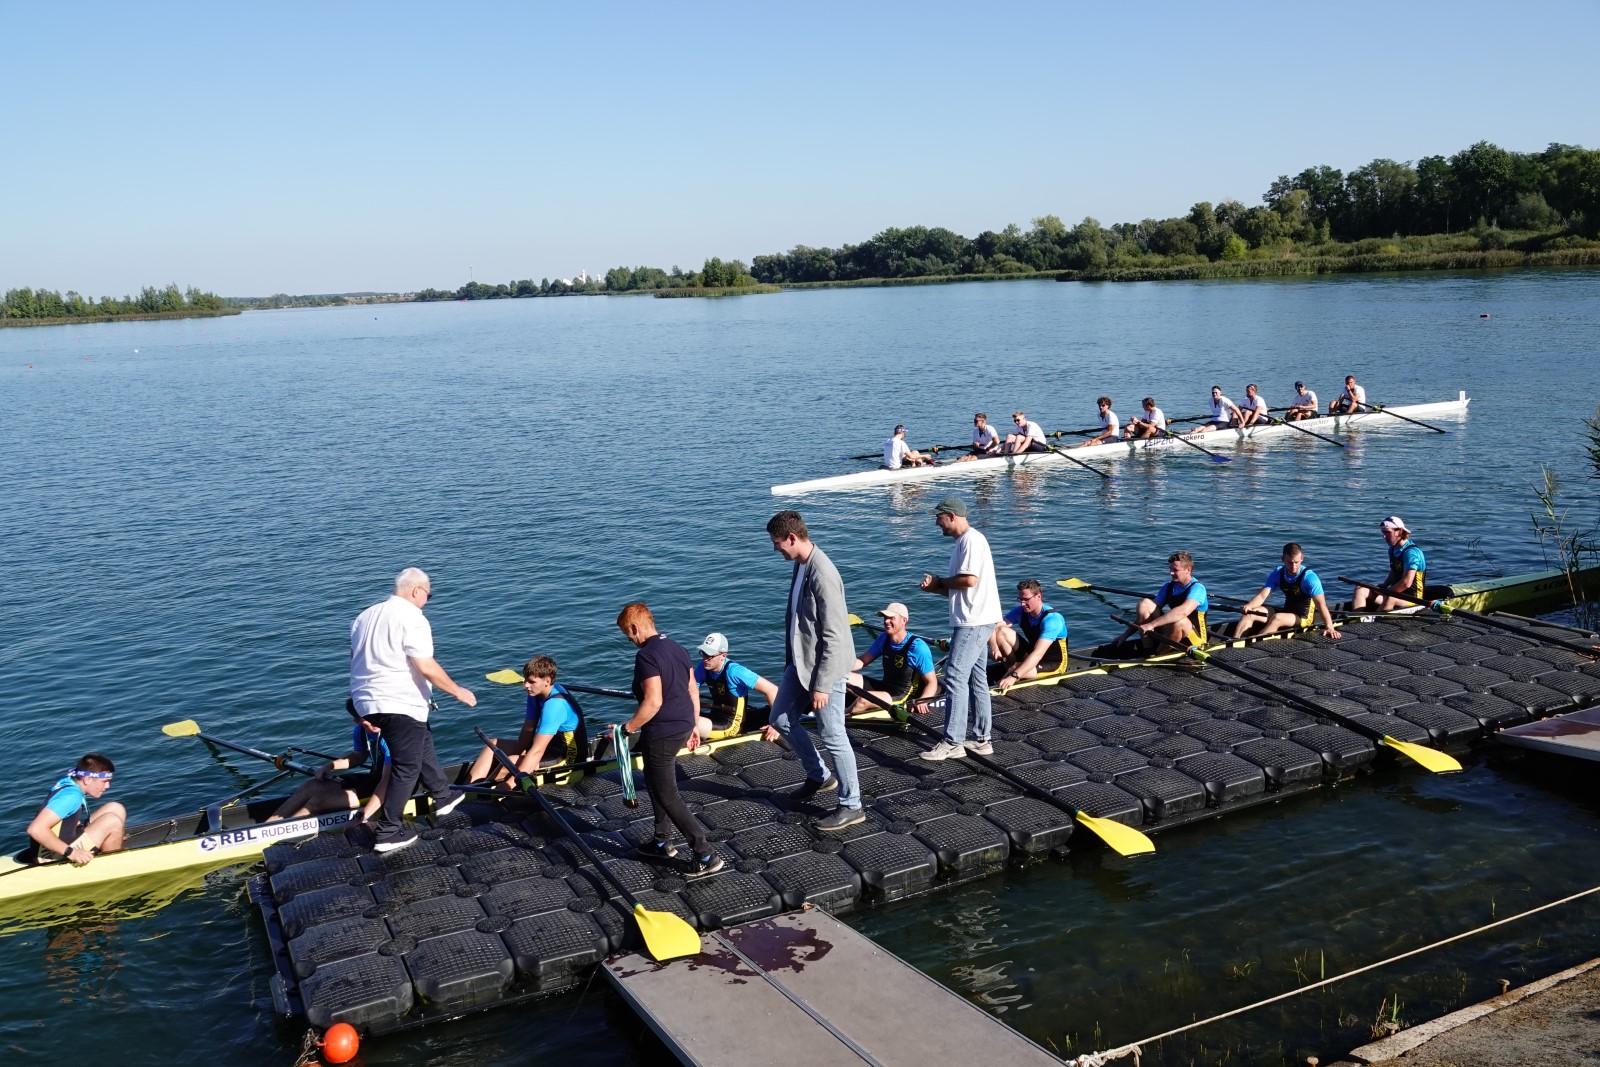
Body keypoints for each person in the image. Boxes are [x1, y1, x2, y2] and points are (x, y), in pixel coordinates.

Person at [349, 567, 475, 854]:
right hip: (398, 701)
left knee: (421, 739)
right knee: (406, 767)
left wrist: (359, 708)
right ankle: (388, 831)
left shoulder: (364, 617)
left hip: (367, 700)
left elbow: (355, 660)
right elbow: (425, 665)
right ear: (417, 590)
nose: (428, 600)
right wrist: (458, 691)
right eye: (429, 595)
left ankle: (442, 795)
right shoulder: (412, 618)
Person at [765, 510, 863, 830]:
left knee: (833, 734)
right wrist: (790, 661)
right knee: (780, 718)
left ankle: (852, 804)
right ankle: (819, 775)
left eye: (777, 542)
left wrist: (822, 685)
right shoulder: (801, 564)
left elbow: (834, 635)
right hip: (800, 663)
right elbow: (797, 621)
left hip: (826, 669)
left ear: (792, 538)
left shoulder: (822, 574)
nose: (775, 548)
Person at [617, 602, 723, 876]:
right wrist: (694, 725)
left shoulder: (646, 656)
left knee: (667, 793)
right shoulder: (677, 647)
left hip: (662, 732)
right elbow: (692, 690)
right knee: (654, 782)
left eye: (627, 634)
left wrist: (626, 728)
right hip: (683, 724)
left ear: (635, 627)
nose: (629, 639)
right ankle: (661, 840)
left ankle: (705, 854)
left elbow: (653, 702)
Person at [918, 496, 1003, 760]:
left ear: (952, 516)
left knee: (954, 675)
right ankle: (982, 739)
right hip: (976, 618)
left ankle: (952, 741)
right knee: (977, 678)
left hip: (973, 622)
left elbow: (968, 580)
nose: (936, 522)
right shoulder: (964, 543)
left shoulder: (970, 541)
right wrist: (936, 588)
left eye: (939, 517)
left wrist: (940, 581)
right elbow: (963, 590)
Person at [467, 655, 582, 784]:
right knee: (492, 745)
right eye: (526, 680)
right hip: (547, 747)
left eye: (531, 682)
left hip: (567, 758)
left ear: (547, 681)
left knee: (508, 764)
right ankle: (469, 787)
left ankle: (481, 793)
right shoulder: (535, 693)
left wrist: (511, 781)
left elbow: (537, 751)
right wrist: (520, 754)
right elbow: (529, 728)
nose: (526, 685)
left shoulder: (555, 705)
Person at [269, 703, 391, 822]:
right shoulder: (360, 731)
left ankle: (283, 830)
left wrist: (365, 815)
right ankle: (269, 824)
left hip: (391, 786)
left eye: (374, 717)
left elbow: (387, 779)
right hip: (373, 779)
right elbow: (358, 756)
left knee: (317, 801)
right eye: (366, 719)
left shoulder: (389, 737)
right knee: (310, 786)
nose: (373, 722)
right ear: (357, 721)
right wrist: (329, 766)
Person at [25, 754, 125, 865]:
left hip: (68, 838)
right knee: (112, 821)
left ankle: (110, 843)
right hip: (50, 856)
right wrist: (71, 852)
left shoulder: (70, 782)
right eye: (104, 781)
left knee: (116, 808)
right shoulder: (71, 796)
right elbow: (35, 829)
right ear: (87, 779)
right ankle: (111, 865)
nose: (108, 786)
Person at [1231, 543, 1342, 641]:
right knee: (1250, 613)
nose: (1294, 566)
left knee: (1277, 618)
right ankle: (1234, 641)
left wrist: (1329, 627)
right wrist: (1249, 606)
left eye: (1296, 562)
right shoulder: (1278, 573)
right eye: (1290, 562)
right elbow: (1262, 595)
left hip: (1303, 617)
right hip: (1286, 611)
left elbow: (1321, 605)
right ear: (1283, 559)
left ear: (1302, 558)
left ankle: (1253, 645)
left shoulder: (1310, 578)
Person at [847, 602, 939, 714]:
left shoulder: (917, 647)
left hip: (901, 697)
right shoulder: (884, 638)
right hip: (884, 688)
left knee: (863, 699)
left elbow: (932, 682)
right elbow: (862, 661)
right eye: (885, 618)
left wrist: (922, 701)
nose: (886, 621)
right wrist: (838, 669)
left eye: (891, 618)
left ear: (904, 620)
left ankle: (840, 717)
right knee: (842, 678)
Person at [692, 632, 779, 742]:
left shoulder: (735, 672)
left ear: (723, 656)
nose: (705, 659)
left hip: (732, 726)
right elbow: (689, 691)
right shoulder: (703, 667)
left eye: (710, 655)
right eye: (703, 653)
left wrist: (776, 724)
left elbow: (772, 690)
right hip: (715, 716)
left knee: (687, 723)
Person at [1120, 551, 1209, 651]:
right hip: (1172, 631)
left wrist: (1151, 625)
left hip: (1195, 640)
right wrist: (1124, 636)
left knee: (1179, 620)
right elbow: (1145, 615)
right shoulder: (1168, 587)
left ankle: (1159, 654)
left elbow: (1182, 612)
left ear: (1188, 569)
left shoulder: (1198, 589)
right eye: (1170, 569)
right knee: (1145, 604)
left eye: (1175, 570)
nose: (1171, 573)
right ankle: (1147, 650)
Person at [989, 580, 1069, 691]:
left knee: (1014, 671)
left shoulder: (1052, 619)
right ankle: (1012, 670)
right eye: (1020, 599)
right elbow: (993, 627)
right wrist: (994, 647)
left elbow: (1038, 654)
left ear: (1038, 596)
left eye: (1026, 599)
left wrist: (1014, 676)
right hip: (1032, 656)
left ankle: (1006, 680)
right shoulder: (1021, 612)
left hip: (1054, 664)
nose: (1022, 604)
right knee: (1001, 631)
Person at [1350, 516, 1427, 612]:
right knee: (1361, 588)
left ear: (1399, 532)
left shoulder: (1411, 553)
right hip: (1395, 594)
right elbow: (1394, 571)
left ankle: (1373, 619)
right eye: (1383, 532)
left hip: (1413, 600)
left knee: (1390, 597)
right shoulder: (1392, 549)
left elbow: (1406, 583)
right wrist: (1384, 585)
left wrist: (1387, 592)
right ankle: (1357, 617)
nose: (1384, 536)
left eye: (1387, 532)